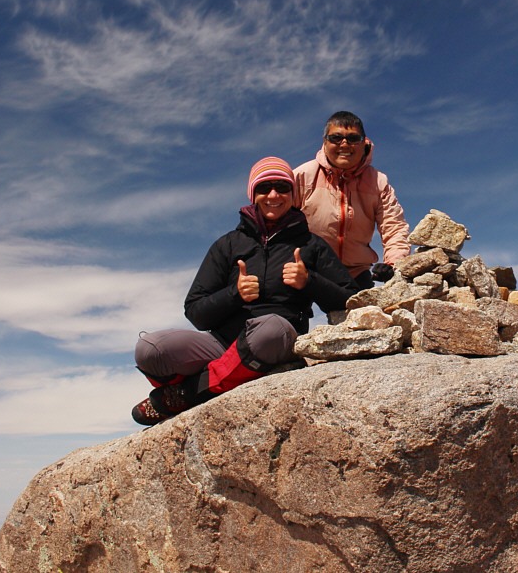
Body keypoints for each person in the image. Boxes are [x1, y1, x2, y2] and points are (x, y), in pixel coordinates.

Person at [131, 157, 358, 426]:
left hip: (276, 342)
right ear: (253, 195)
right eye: (264, 187)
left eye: (282, 187)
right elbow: (195, 312)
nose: (273, 195)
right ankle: (213, 382)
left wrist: (309, 281)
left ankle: (186, 394)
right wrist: (234, 294)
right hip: (222, 344)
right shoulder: (227, 245)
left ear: (292, 194)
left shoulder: (311, 244)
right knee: (150, 350)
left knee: (270, 329)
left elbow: (352, 299)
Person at [294, 111, 410, 289]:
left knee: (368, 315)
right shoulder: (302, 176)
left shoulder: (378, 182)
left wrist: (393, 264)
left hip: (355, 271)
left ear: (364, 142)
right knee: (287, 315)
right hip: (304, 266)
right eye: (336, 138)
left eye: (353, 138)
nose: (345, 144)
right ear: (325, 142)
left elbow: (394, 227)